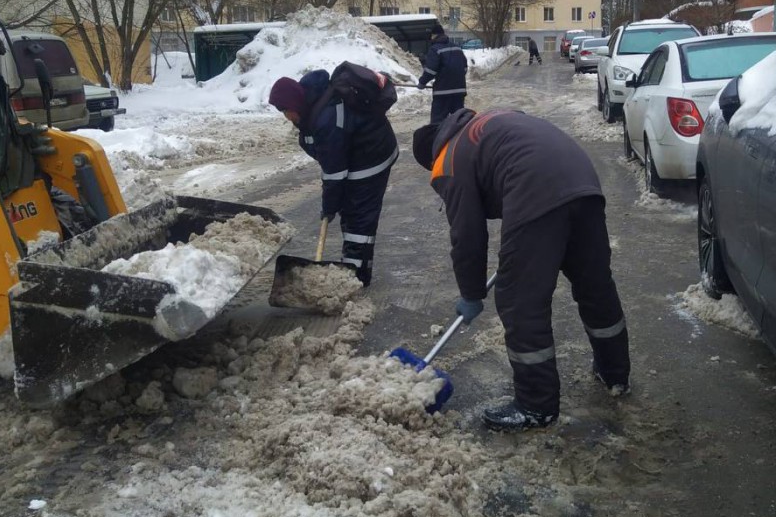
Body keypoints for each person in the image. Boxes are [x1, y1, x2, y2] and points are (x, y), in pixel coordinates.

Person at [412, 108, 630, 431]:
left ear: (433, 156)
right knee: (594, 285)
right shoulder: (486, 125)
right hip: (582, 179)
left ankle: (536, 405)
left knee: (519, 300)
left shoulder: (448, 159)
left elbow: (467, 234)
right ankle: (615, 374)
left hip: (535, 185)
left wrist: (471, 293)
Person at [268, 70, 398, 287]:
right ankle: (352, 265)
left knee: (359, 219)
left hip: (371, 157)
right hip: (355, 156)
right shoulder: (311, 106)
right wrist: (335, 203)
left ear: (295, 104)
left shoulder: (325, 119)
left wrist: (329, 207)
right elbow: (333, 169)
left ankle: (356, 277)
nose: (287, 117)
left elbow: (334, 174)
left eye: (286, 110)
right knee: (349, 211)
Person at [418, 23, 468, 125]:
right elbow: (464, 68)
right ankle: (459, 140)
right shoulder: (457, 48)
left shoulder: (435, 49)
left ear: (434, 35)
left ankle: (437, 140)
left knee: (437, 123)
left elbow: (431, 71)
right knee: (459, 122)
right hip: (459, 92)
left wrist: (422, 82)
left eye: (431, 36)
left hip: (442, 93)